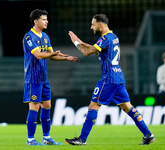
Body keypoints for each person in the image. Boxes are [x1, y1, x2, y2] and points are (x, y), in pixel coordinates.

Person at [65, 14, 156, 145]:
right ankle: (148, 135)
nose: (91, 27)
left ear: (100, 25)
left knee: (93, 105)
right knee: (127, 107)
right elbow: (96, 49)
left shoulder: (105, 38)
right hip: (118, 77)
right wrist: (81, 41)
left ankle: (82, 139)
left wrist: (76, 41)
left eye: (93, 24)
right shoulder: (113, 37)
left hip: (108, 78)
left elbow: (86, 52)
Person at [23, 9, 78, 146]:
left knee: (47, 105)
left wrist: (66, 57)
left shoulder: (45, 37)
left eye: (46, 19)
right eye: (43, 19)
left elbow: (52, 55)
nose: (46, 21)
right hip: (33, 78)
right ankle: (30, 139)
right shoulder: (29, 37)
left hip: (43, 77)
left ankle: (46, 137)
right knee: (34, 107)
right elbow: (39, 55)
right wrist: (53, 54)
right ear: (36, 21)